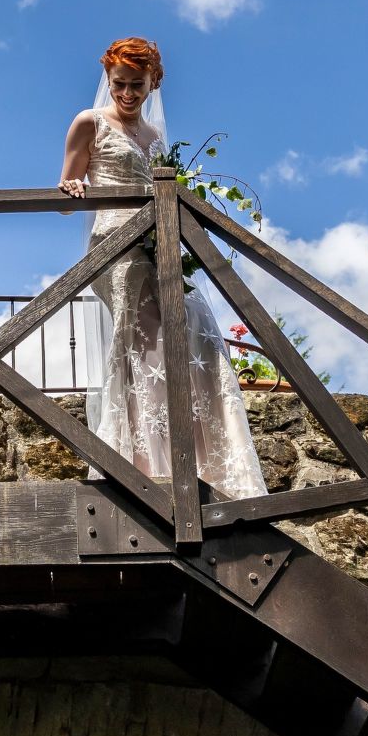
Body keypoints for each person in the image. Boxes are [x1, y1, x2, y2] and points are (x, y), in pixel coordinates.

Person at [58, 37, 266, 499]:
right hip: (115, 244)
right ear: (108, 80)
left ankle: (199, 459)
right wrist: (72, 188)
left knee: (197, 326)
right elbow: (66, 195)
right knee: (143, 341)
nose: (127, 94)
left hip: (158, 244)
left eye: (137, 85)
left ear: (154, 84)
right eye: (119, 84)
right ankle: (140, 463)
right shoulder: (88, 122)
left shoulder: (155, 138)